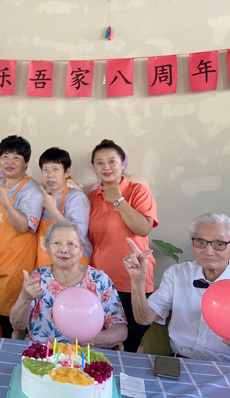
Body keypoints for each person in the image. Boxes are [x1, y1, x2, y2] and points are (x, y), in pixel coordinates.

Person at [124, 213, 230, 364]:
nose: (208, 251)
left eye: (219, 244)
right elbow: (144, 318)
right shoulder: (178, 274)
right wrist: (138, 279)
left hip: (229, 366)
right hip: (179, 362)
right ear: (193, 244)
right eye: (201, 242)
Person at [87, 139, 157, 352]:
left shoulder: (138, 191)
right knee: (103, 346)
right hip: (101, 283)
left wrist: (118, 200)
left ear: (123, 164)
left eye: (112, 161)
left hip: (133, 280)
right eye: (99, 163)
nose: (106, 167)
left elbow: (143, 228)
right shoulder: (91, 198)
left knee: (133, 346)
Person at [10, 220, 127, 347]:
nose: (64, 249)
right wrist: (24, 299)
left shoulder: (99, 280)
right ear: (47, 248)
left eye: (71, 244)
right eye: (57, 243)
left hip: (85, 355)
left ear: (81, 250)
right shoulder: (36, 279)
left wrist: (95, 340)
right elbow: (17, 325)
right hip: (42, 354)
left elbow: (121, 330)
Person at [0, 135, 42, 338]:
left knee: (17, 325)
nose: (9, 162)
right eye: (5, 156)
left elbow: (23, 226)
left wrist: (5, 201)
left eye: (16, 157)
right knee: (3, 323)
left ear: (26, 163)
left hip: (17, 268)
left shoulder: (30, 189)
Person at [35, 147, 92, 269]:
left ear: (67, 172)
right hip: (46, 267)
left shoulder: (76, 198)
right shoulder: (44, 198)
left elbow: (78, 235)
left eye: (55, 169)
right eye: (45, 169)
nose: (50, 175)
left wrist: (52, 209)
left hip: (73, 267)